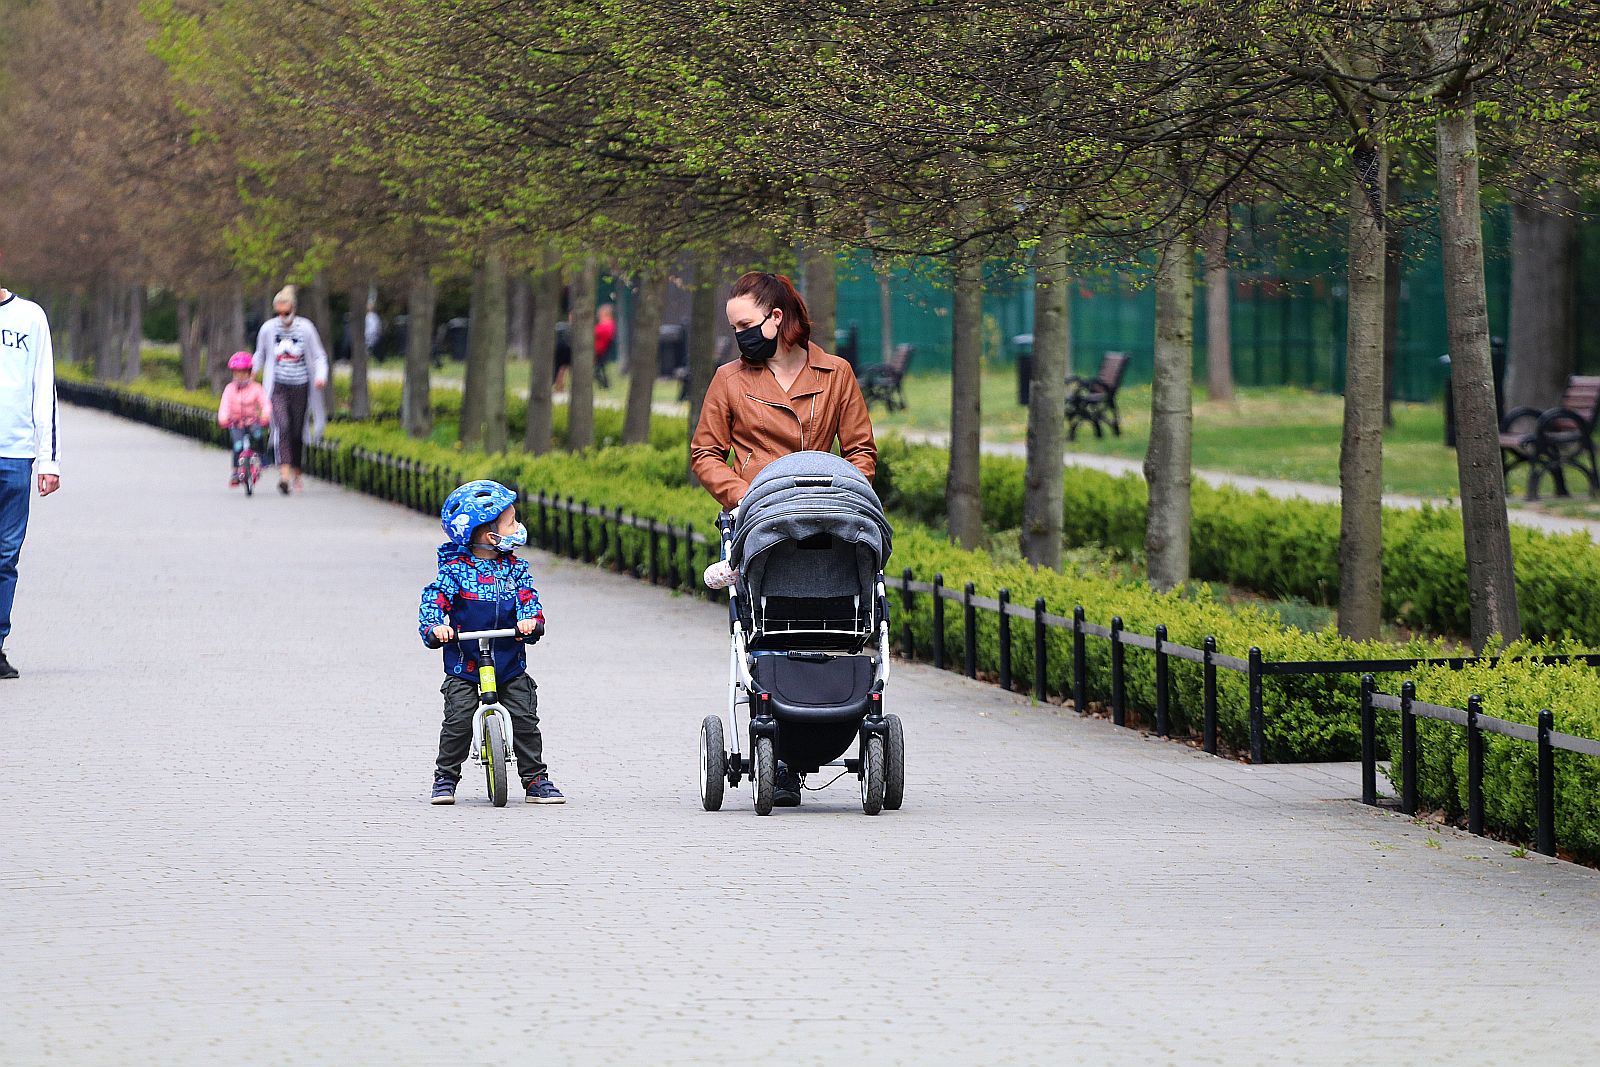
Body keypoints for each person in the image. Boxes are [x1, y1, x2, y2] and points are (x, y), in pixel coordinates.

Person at [689, 270, 876, 804]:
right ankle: (780, 735)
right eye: (733, 328)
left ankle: (836, 710)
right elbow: (706, 454)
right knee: (768, 624)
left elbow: (861, 449)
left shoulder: (836, 374)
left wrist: (843, 492)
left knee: (839, 616)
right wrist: (743, 496)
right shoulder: (731, 379)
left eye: (745, 324)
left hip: (825, 515)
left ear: (776, 319)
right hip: (758, 515)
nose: (738, 337)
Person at [420, 480, 565, 806]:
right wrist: (434, 627)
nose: (518, 526)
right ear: (490, 537)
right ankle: (445, 777)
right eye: (511, 522)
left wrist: (531, 620)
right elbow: (435, 599)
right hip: (465, 662)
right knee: (458, 720)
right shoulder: (455, 570)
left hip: (508, 659)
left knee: (525, 718)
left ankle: (535, 779)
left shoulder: (515, 569)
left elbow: (529, 599)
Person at [0, 286, 59, 680]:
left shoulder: (30, 317)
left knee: (5, 554)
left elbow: (44, 386)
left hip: (15, 452)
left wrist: (48, 459)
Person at [253, 285, 328, 495]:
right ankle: (284, 475)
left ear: (293, 308)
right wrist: (252, 371)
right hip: (278, 386)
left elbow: (319, 356)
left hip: (301, 386)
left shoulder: (305, 328)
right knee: (282, 426)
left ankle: (296, 471)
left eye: (286, 312)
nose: (283, 316)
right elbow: (260, 354)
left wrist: (321, 377)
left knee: (297, 431)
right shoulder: (268, 329)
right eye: (279, 313)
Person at [217, 352, 272, 487]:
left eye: (243, 373)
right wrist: (223, 418)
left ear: (249, 373)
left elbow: (265, 403)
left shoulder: (256, 388)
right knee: (238, 445)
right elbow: (224, 405)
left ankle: (261, 456)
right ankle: (235, 472)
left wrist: (265, 415)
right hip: (236, 422)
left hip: (252, 420)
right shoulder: (230, 389)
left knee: (258, 434)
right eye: (237, 373)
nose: (240, 376)